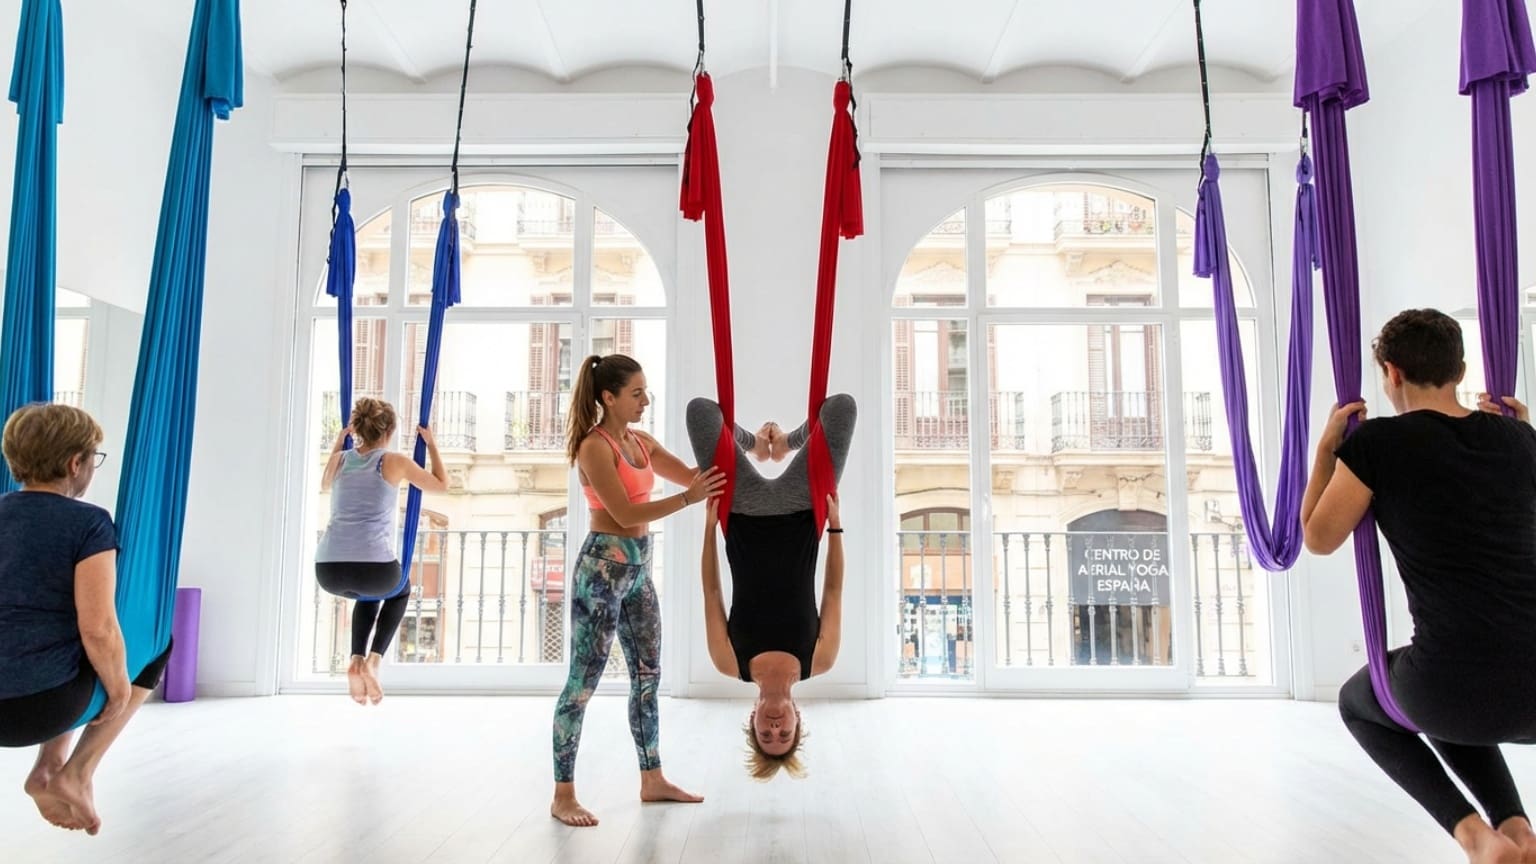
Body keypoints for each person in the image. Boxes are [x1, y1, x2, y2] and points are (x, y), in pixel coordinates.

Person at [1301, 309, 1536, 864]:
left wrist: (1326, 454)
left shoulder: (1379, 444)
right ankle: (1518, 833)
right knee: (1434, 682)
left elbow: (1318, 537)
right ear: (1460, 369)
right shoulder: (1519, 441)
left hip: (1452, 687)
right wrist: (1525, 432)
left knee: (1366, 701)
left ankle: (1478, 838)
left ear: (1392, 374)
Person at [550, 353, 725, 828]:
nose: (645, 399)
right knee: (582, 685)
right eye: (636, 393)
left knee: (648, 677)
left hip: (639, 569)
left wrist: (735, 449)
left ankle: (653, 779)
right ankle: (563, 794)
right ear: (608, 398)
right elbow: (626, 514)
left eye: (646, 391)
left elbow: (696, 477)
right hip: (602, 570)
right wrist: (689, 500)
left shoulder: (642, 442)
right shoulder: (594, 447)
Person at [0, 403, 170, 834]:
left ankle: (48, 768)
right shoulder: (89, 523)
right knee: (155, 641)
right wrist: (115, 693)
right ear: (76, 463)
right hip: (42, 708)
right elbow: (99, 628)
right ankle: (73, 770)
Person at [688, 393, 855, 780]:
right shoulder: (821, 659)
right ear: (798, 719)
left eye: (766, 733)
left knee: (700, 411)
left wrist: (709, 530)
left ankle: (756, 446)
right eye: (784, 733)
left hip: (740, 512)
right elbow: (833, 591)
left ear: (753, 719)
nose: (775, 726)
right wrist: (835, 526)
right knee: (841, 408)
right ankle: (783, 444)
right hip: (805, 511)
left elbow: (712, 593)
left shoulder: (729, 662)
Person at [316, 397, 447, 705]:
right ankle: (373, 661)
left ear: (358, 428)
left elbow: (325, 484)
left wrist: (339, 441)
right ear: (389, 429)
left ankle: (356, 658)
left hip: (328, 570)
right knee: (398, 589)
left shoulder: (340, 460)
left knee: (369, 592)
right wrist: (431, 445)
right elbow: (442, 484)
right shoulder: (393, 461)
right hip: (373, 570)